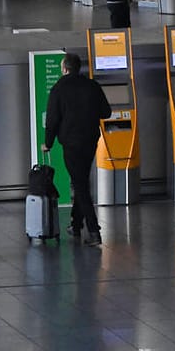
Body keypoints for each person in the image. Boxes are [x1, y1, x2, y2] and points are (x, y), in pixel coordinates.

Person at [41, 53, 112, 246]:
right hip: (90, 141)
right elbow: (107, 112)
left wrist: (48, 143)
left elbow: (52, 120)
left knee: (80, 185)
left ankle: (94, 230)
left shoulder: (58, 89)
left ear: (64, 69)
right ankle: (76, 223)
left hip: (71, 144)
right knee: (80, 180)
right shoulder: (92, 86)